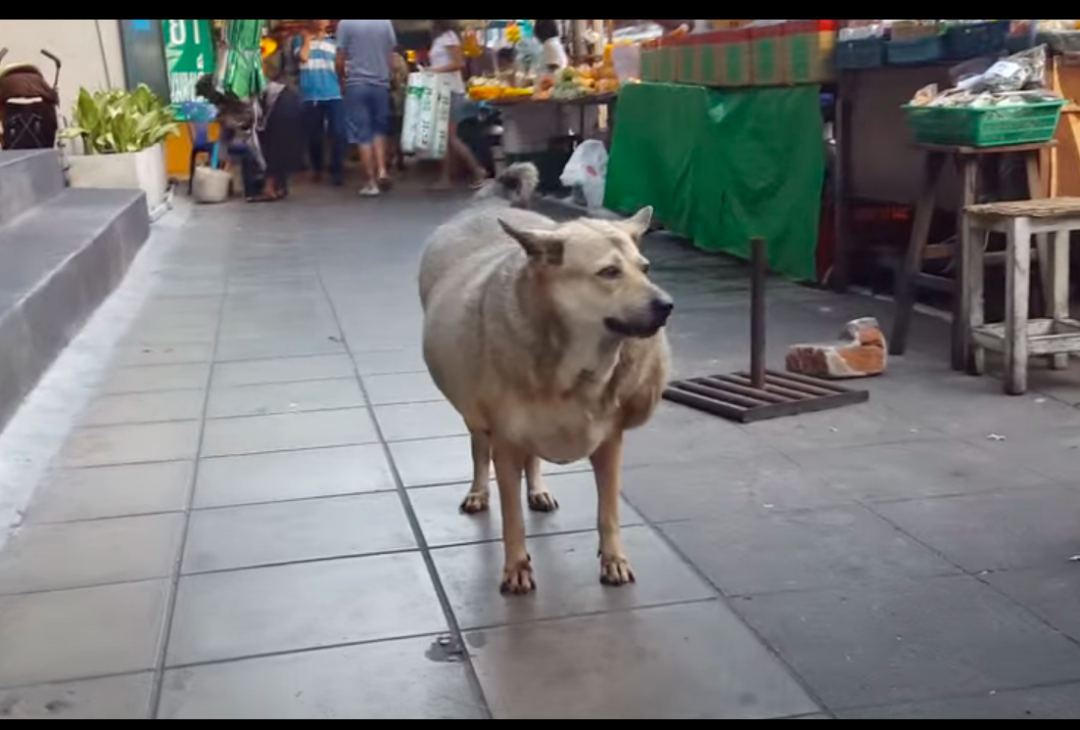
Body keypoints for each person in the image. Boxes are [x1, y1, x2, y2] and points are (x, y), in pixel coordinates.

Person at [336, 18, 398, 197]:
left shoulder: (345, 24)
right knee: (379, 130)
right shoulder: (385, 23)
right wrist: (390, 77)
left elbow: (340, 59)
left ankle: (370, 182)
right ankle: (382, 170)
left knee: (363, 133)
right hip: (380, 85)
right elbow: (391, 57)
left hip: (356, 85)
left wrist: (341, 80)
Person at [426, 19, 489, 191]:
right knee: (446, 137)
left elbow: (458, 63)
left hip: (451, 91)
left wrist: (433, 71)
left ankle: (477, 170)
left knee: (448, 137)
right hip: (445, 90)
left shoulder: (448, 37)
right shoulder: (442, 38)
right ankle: (446, 176)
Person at [293, 19, 345, 186]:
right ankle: (317, 168)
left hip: (333, 93)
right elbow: (302, 57)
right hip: (310, 94)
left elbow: (340, 67)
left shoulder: (334, 43)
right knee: (314, 136)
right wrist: (308, 40)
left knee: (337, 133)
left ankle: (337, 171)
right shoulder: (299, 40)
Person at [388, 47, 409, 173]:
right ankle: (399, 158)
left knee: (391, 132)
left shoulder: (388, 57)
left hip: (392, 98)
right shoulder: (400, 60)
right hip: (400, 99)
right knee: (399, 131)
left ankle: (390, 158)